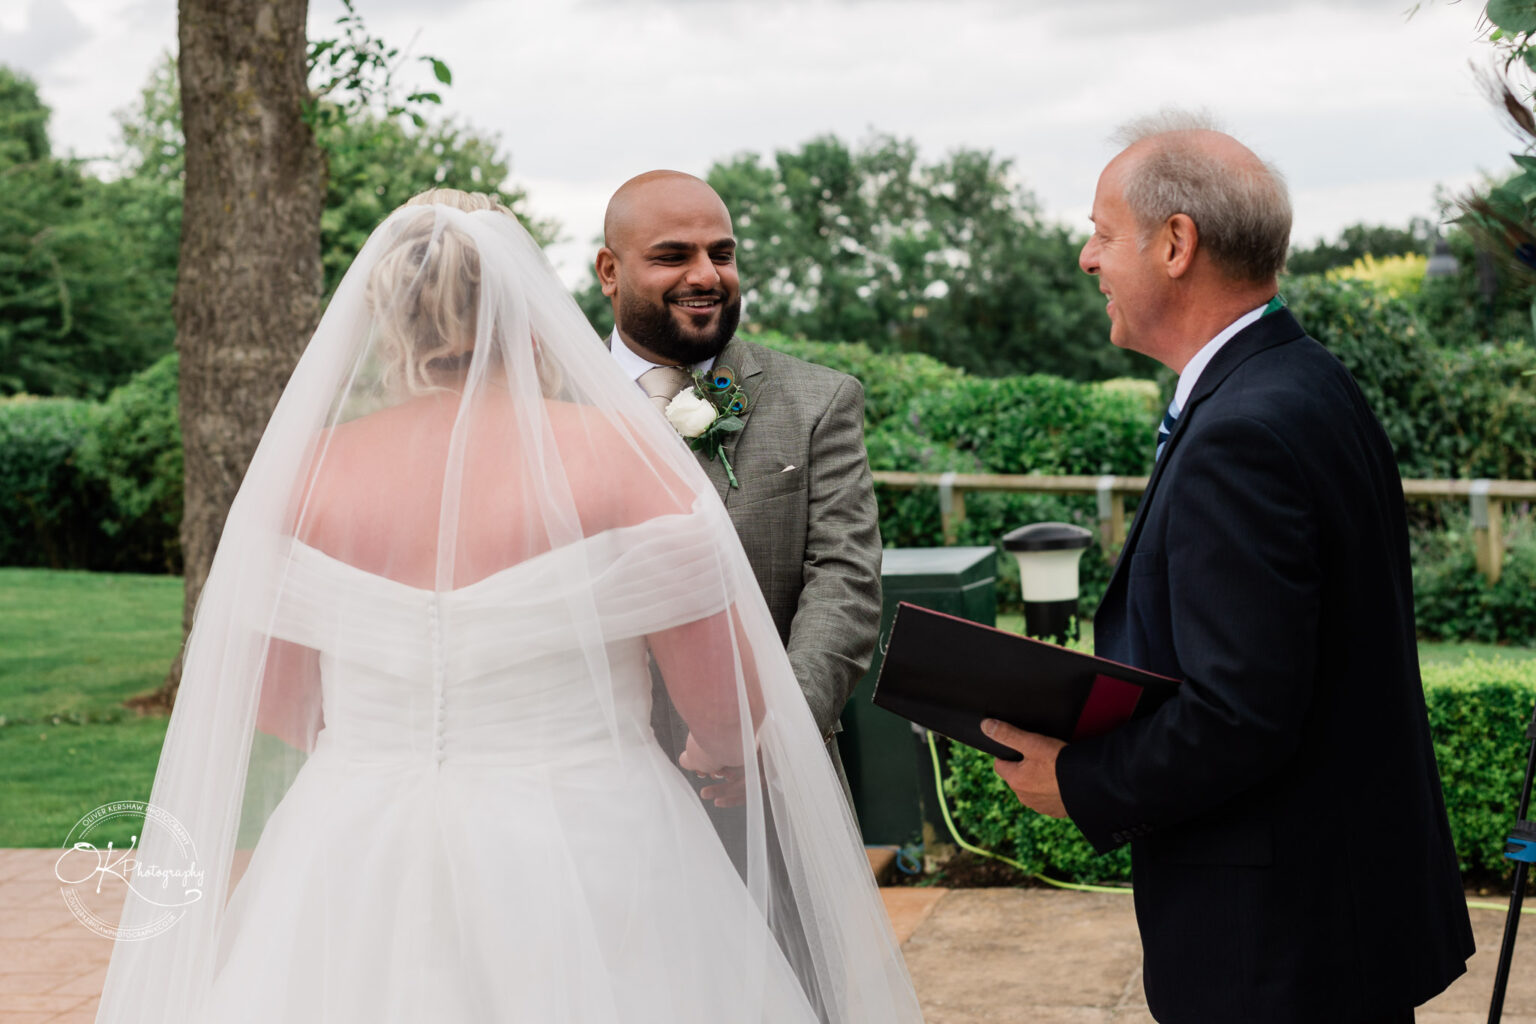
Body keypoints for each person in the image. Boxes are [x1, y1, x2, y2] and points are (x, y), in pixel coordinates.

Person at [94, 189, 923, 1023]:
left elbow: (272, 694)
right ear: (531, 312)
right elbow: (725, 706)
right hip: (595, 830)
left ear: (384, 323)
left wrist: (389, 738)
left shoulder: (303, 477)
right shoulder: (624, 461)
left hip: (354, 841)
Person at [981, 113, 1474, 1023]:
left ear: (1175, 244)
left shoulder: (1241, 431)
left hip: (1275, 949)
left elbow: (1239, 715)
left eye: (1101, 232)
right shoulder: (1306, 378)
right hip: (1335, 921)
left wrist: (1079, 783)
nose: (1088, 260)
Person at [594, 170, 882, 804]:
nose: (706, 275)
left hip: (768, 793)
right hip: (590, 787)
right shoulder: (543, 406)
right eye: (673, 256)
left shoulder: (818, 401)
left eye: (721, 254)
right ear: (609, 271)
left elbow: (843, 579)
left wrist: (777, 733)